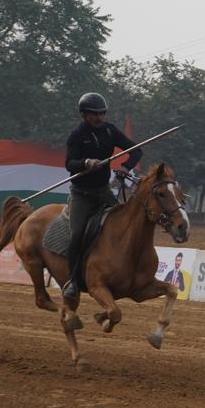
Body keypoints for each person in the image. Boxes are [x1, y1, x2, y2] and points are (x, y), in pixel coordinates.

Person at [62, 92, 141, 302]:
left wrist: (126, 167)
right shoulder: (77, 135)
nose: (99, 117)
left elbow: (137, 151)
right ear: (84, 114)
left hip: (103, 191)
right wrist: (85, 162)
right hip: (81, 194)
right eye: (94, 114)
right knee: (77, 235)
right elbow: (69, 164)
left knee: (123, 225)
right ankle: (72, 281)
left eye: (102, 113)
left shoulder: (109, 130)